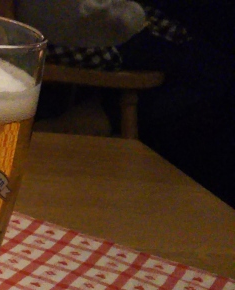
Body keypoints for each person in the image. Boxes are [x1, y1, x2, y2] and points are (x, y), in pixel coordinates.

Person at [18, 0, 235, 206]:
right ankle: (106, 114)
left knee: (207, 64)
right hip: (74, 37)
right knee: (207, 66)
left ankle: (105, 114)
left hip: (64, 33)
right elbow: (111, 18)